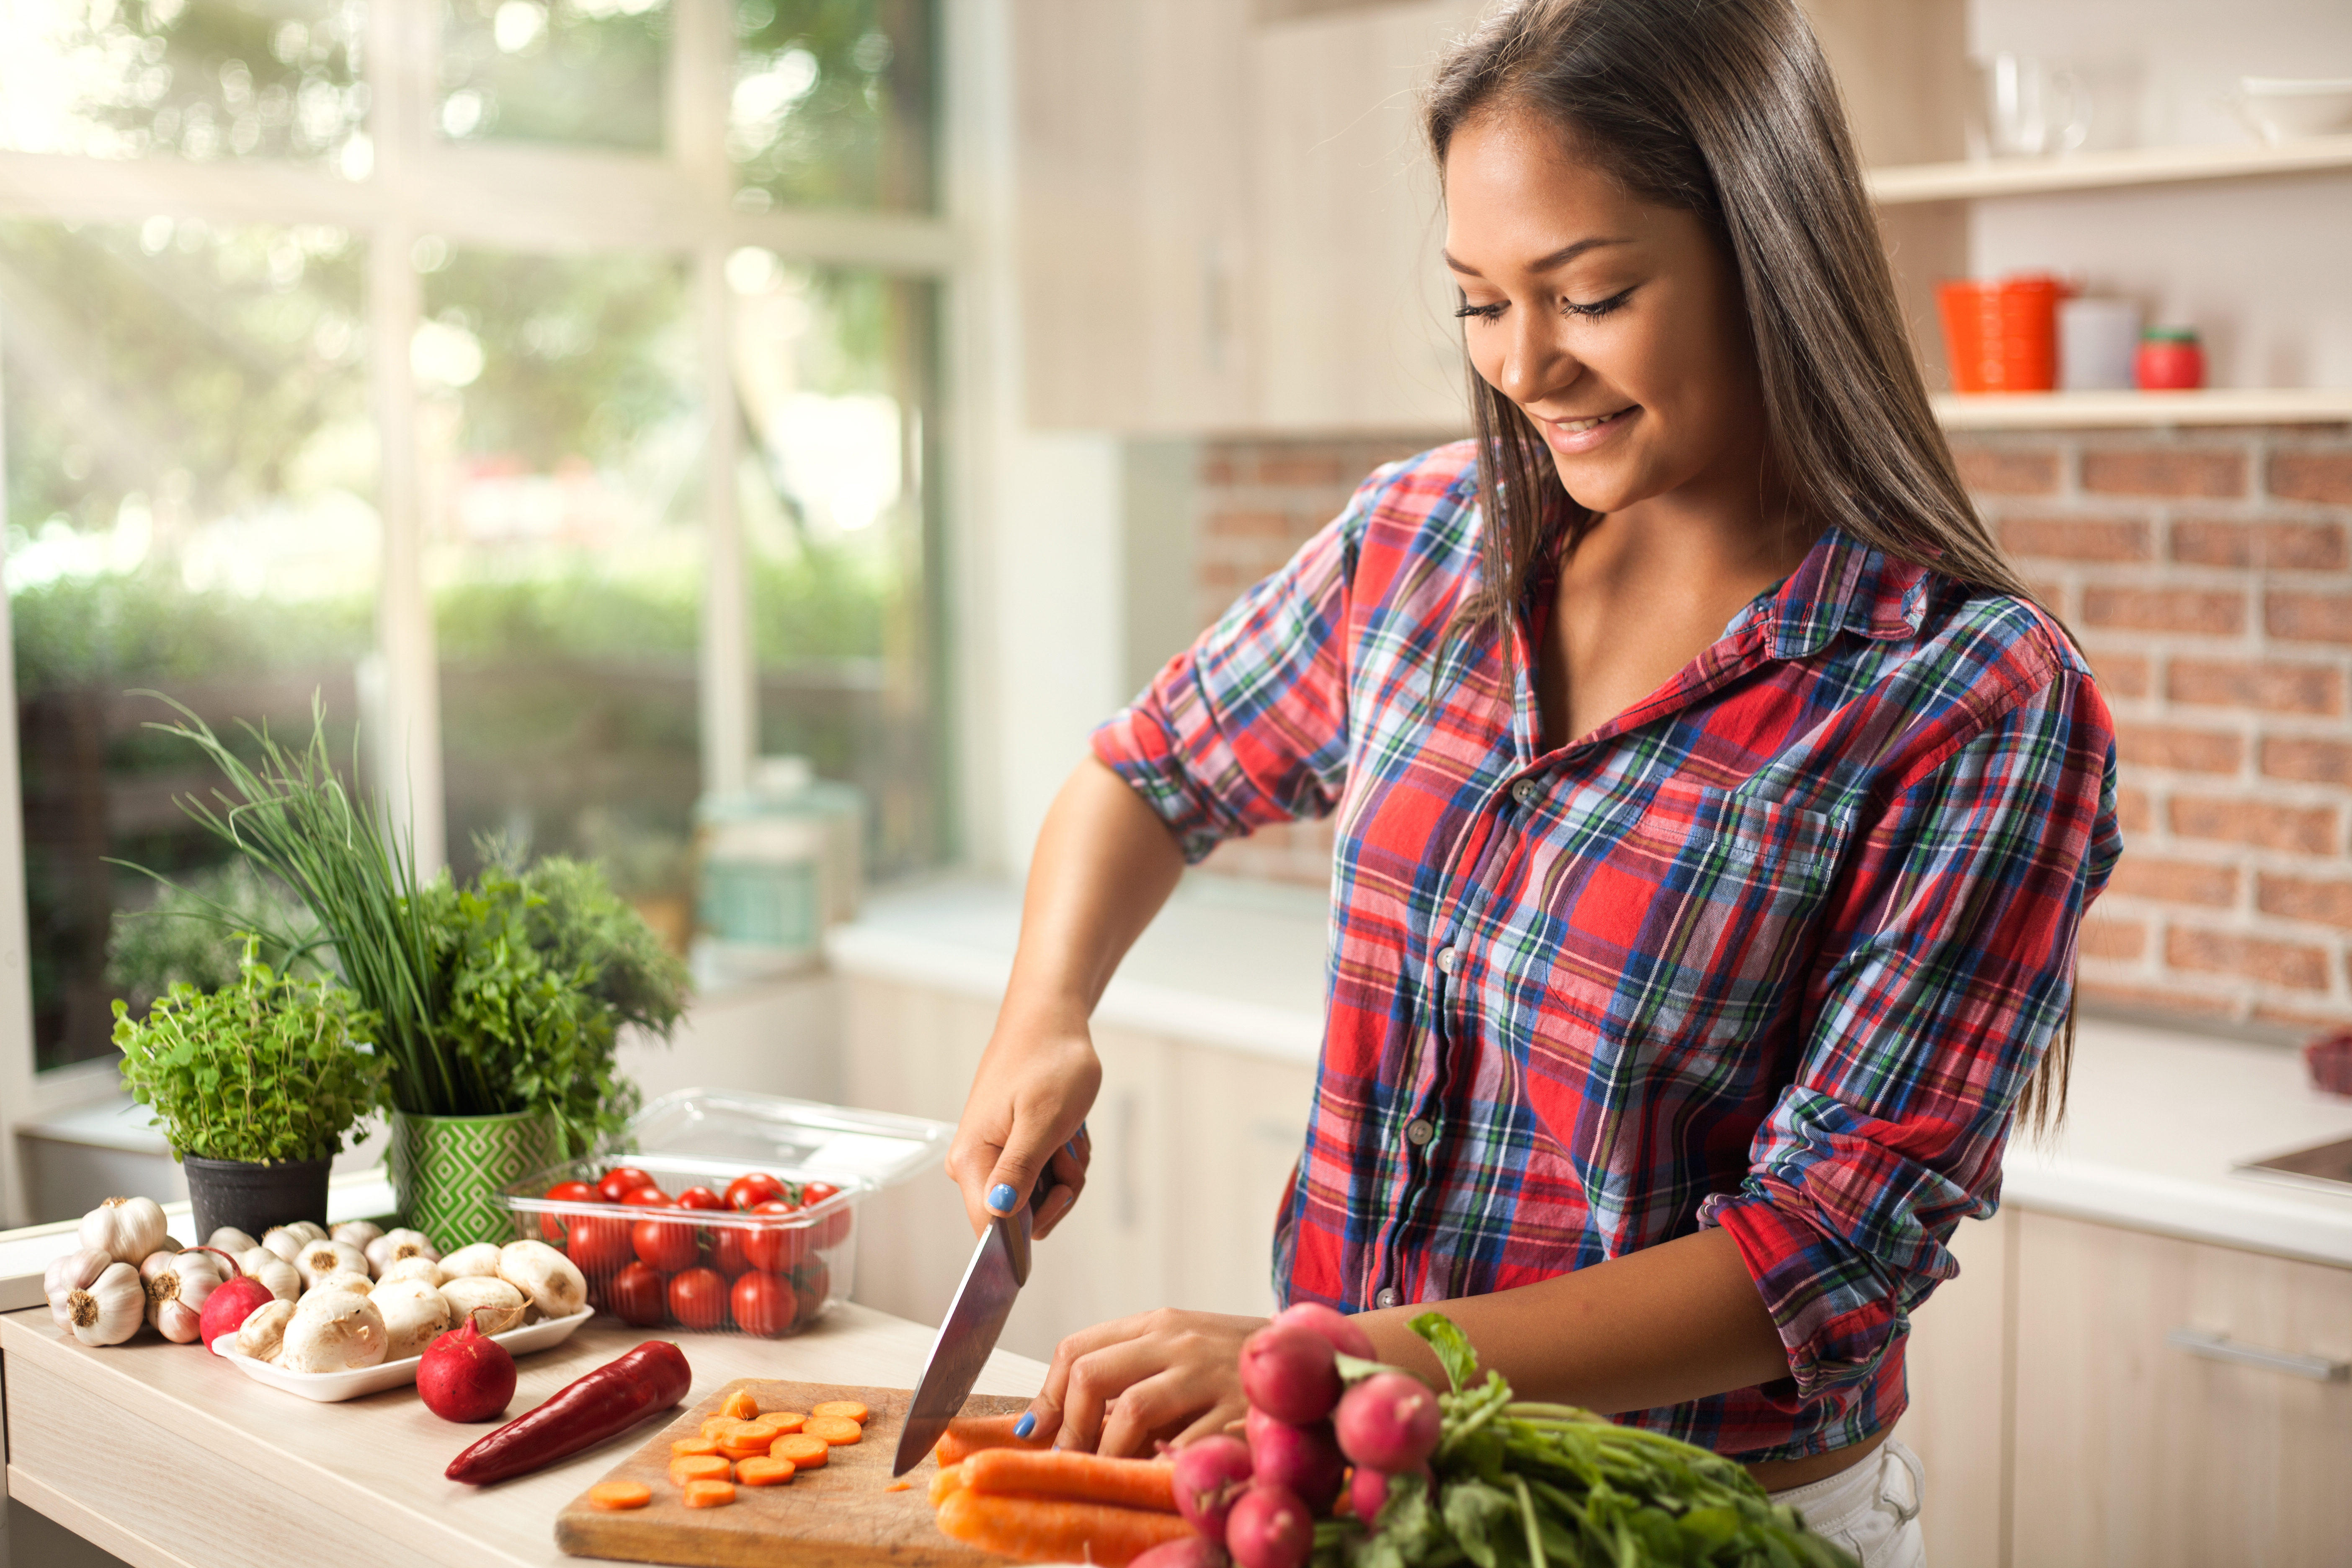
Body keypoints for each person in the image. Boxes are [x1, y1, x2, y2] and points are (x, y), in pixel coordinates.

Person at [943, 0, 2120, 1561]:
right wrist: (1046, 1017)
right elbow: (1148, 773)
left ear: (1769, 254)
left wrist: (1336, 1361)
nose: (1523, 364)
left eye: (1590, 294)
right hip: (1355, 1496)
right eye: (1479, 302)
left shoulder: (1974, 699)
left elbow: (1818, 1259)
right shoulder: (1422, 542)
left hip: (1688, 1526)